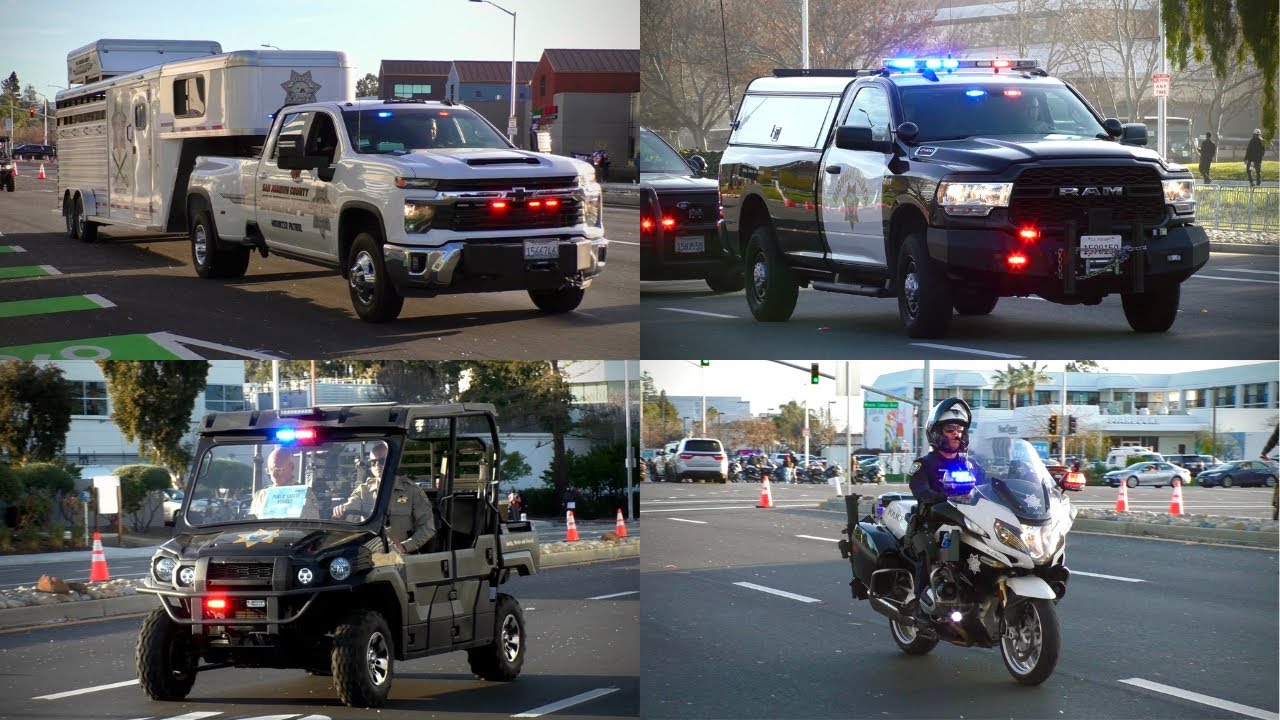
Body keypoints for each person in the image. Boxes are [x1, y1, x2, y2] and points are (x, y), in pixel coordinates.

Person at [904, 398, 982, 617]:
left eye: (960, 428)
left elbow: (989, 486)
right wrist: (942, 497)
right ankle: (921, 607)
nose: (957, 433)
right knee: (931, 552)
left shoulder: (971, 465)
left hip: (969, 521)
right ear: (937, 432)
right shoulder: (924, 464)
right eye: (950, 429)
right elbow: (920, 491)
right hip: (933, 523)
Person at [250, 448, 321, 519]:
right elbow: (252, 525)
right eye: (271, 470)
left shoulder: (304, 494)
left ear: (291, 467)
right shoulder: (260, 495)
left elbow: (311, 525)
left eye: (278, 470)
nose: (274, 474)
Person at [332, 443, 387, 518]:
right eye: (373, 462)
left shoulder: (407, 489)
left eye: (382, 460)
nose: (377, 464)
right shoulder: (363, 489)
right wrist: (342, 509)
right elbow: (352, 503)